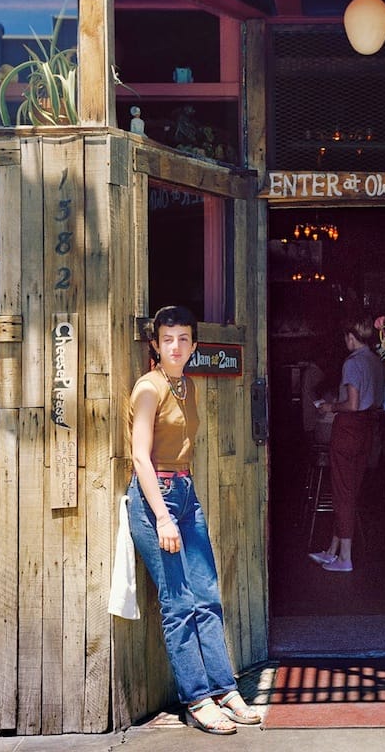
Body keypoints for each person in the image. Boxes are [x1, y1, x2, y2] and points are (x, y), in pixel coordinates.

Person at [126, 305, 260, 735]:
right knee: (179, 603)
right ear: (155, 344)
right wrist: (162, 519)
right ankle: (198, 699)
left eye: (183, 339)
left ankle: (224, 689)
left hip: (185, 492)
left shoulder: (188, 385)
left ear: (194, 344)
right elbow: (140, 457)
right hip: (156, 500)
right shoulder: (149, 389)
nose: (176, 346)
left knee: (206, 595)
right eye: (167, 339)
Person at [308, 317, 385, 573]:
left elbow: (352, 404)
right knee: (349, 491)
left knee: (342, 492)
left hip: (348, 429)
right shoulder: (376, 361)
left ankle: (345, 558)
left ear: (351, 337)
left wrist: (330, 407)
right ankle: (333, 550)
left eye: (346, 337)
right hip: (368, 430)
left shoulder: (352, 363)